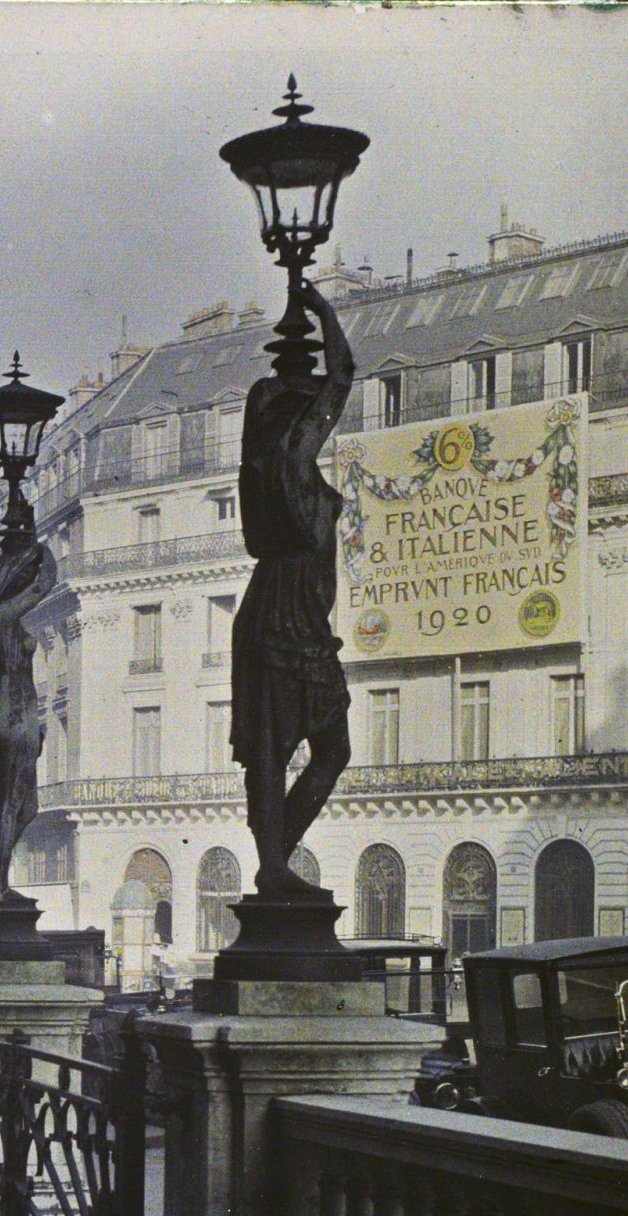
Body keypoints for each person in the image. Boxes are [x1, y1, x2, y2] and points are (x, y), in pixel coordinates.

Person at [231, 281, 355, 899]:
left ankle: (273, 861)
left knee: (289, 749)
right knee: (309, 749)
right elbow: (343, 375)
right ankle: (274, 864)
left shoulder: (266, 469)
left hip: (279, 611)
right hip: (291, 615)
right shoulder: (294, 466)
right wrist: (323, 309)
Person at [0, 516, 57, 903]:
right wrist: (41, 549)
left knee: (27, 807)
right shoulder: (3, 616)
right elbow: (44, 582)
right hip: (14, 714)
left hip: (11, 713)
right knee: (12, 803)